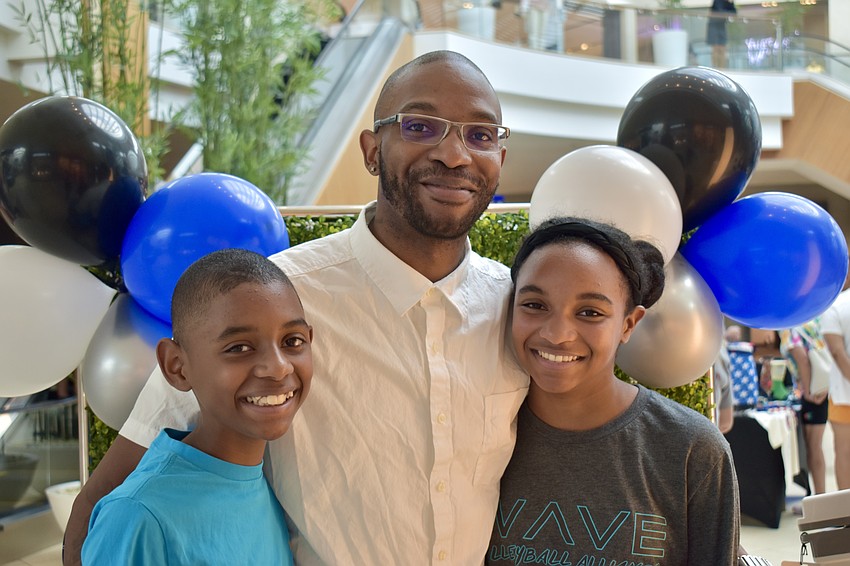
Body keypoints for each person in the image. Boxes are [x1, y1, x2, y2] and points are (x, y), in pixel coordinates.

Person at [64, 50, 529, 565]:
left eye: (480, 135)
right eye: (420, 126)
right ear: (372, 151)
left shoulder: (516, 307)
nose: (455, 154)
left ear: (500, 160)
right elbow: (105, 508)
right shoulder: (274, 299)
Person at [486, 217, 740, 565]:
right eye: (535, 305)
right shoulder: (480, 427)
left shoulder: (692, 450)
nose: (558, 333)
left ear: (628, 324)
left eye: (589, 312)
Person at [82, 249, 312, 564]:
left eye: (293, 341)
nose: (278, 367)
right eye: (239, 347)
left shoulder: (272, 488)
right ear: (177, 366)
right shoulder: (140, 517)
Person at [779, 319, 830, 496]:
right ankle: (817, 498)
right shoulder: (811, 319)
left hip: (814, 392)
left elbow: (801, 357)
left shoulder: (789, 324)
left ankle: (819, 499)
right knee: (814, 446)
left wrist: (808, 390)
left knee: (813, 447)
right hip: (822, 387)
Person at [819, 269, 850, 491]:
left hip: (843, 395)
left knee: (845, 452)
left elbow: (838, 354)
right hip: (841, 396)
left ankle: (846, 515)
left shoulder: (836, 306)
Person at [707, 0, 736, 68]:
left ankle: (722, 68)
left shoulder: (728, 3)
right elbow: (720, 12)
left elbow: (734, 12)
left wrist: (731, 3)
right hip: (714, 26)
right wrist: (728, 12)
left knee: (723, 48)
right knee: (716, 48)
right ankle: (715, 67)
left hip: (722, 26)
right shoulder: (717, 1)